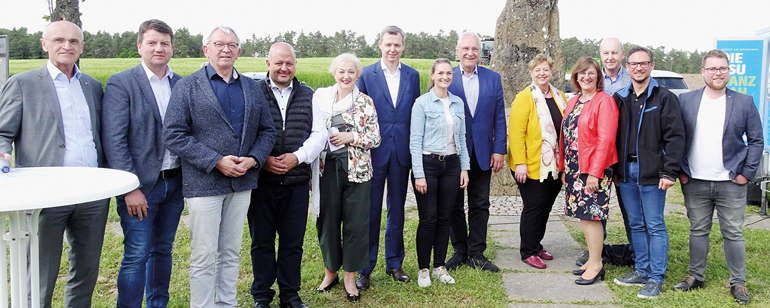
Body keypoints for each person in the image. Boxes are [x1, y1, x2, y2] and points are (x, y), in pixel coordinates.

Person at [163, 26, 276, 308]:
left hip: (242, 181)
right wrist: (215, 162)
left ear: (239, 51)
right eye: (218, 44)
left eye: (231, 45)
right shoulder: (187, 86)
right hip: (204, 183)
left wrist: (253, 159)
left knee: (231, 251)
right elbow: (174, 134)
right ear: (206, 49)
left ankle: (227, 303)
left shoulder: (252, 87)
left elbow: (267, 131)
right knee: (203, 254)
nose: (225, 49)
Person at [0, 20, 107, 308]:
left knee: (86, 270)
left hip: (92, 192)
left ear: (81, 47)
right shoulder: (23, 84)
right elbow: (2, 133)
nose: (66, 46)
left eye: (74, 41)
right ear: (44, 44)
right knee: (40, 272)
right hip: (46, 194)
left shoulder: (92, 86)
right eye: (58, 39)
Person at [102, 19, 184, 308]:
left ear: (172, 48)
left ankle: (158, 304)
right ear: (139, 46)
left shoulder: (181, 84)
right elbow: (115, 140)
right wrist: (130, 188)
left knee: (163, 249)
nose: (159, 48)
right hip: (141, 187)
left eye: (164, 43)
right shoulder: (122, 83)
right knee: (136, 254)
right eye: (152, 42)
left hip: (175, 183)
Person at [674, 49, 762, 305]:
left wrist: (747, 173)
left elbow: (756, 141)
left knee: (733, 232)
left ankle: (739, 282)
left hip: (731, 181)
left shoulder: (744, 102)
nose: (717, 73)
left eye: (722, 68)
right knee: (698, 229)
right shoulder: (686, 100)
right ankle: (695, 276)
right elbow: (676, 137)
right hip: (695, 180)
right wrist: (680, 169)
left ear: (728, 71)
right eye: (712, 68)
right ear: (703, 72)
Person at [247, 42, 323, 308]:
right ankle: (262, 296)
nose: (284, 68)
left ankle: (290, 295)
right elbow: (245, 133)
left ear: (295, 65)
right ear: (268, 64)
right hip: (261, 182)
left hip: (296, 182)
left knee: (293, 243)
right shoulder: (252, 92)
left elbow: (319, 133)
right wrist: (262, 159)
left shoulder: (309, 94)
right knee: (262, 242)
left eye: (289, 63)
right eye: (278, 63)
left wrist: (297, 158)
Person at [613, 47, 684, 299]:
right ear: (628, 67)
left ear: (651, 66)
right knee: (635, 223)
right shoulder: (620, 97)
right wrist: (614, 170)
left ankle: (656, 277)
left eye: (644, 63)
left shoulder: (664, 98)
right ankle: (641, 270)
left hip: (653, 173)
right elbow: (612, 137)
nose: (639, 68)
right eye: (634, 64)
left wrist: (669, 172)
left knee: (654, 224)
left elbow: (676, 138)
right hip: (626, 172)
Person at [355, 25, 420, 289]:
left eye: (397, 45)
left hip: (401, 152)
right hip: (373, 152)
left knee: (397, 209)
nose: (392, 49)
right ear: (380, 45)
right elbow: (359, 112)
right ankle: (365, 267)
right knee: (370, 211)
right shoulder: (367, 74)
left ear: (403, 46)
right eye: (388, 44)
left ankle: (394, 263)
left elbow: (415, 115)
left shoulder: (413, 76)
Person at [313, 53, 380, 302]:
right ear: (334, 73)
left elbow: (375, 137)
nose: (346, 76)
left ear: (357, 75)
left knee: (356, 224)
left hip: (358, 171)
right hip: (326, 168)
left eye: (351, 72)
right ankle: (331, 271)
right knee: (327, 221)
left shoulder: (365, 102)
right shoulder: (320, 98)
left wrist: (352, 137)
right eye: (341, 71)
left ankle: (350, 276)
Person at [446, 32, 507, 272]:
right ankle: (460, 251)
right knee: (454, 204)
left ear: (480, 52)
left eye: (474, 49)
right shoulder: (447, 76)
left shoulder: (493, 78)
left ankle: (477, 253)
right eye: (465, 48)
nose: (470, 53)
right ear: (458, 50)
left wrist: (499, 149)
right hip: (454, 151)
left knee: (480, 204)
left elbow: (499, 117)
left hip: (483, 151)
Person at [410, 58, 470, 287]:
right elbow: (415, 141)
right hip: (428, 164)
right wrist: (419, 173)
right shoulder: (422, 103)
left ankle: (439, 267)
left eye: (448, 73)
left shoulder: (457, 103)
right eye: (440, 73)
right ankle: (423, 269)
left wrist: (464, 167)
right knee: (428, 219)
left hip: (452, 165)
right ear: (433, 75)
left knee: (445, 218)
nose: (445, 77)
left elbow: (462, 138)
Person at [559, 57, 618, 285]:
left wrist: (595, 172)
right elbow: (567, 136)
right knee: (584, 217)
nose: (586, 77)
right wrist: (565, 167)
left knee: (592, 216)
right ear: (575, 76)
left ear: (598, 76)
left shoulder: (604, 101)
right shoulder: (574, 101)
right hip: (575, 167)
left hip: (594, 168)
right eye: (582, 73)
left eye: (591, 73)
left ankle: (596, 264)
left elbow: (606, 139)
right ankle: (592, 258)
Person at [576, 37, 634, 266]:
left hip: (626, 152)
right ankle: (595, 253)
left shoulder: (633, 80)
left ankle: (638, 253)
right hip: (600, 154)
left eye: (614, 53)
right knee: (595, 208)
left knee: (630, 210)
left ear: (622, 55)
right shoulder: (593, 80)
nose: (610, 57)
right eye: (605, 53)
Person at [506, 54, 566, 269]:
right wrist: (520, 162)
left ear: (551, 72)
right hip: (530, 164)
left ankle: (537, 244)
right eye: (537, 70)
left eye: (546, 70)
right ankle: (528, 251)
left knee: (546, 206)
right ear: (531, 73)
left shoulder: (559, 96)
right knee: (534, 206)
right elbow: (515, 132)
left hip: (554, 165)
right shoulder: (525, 97)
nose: (542, 73)